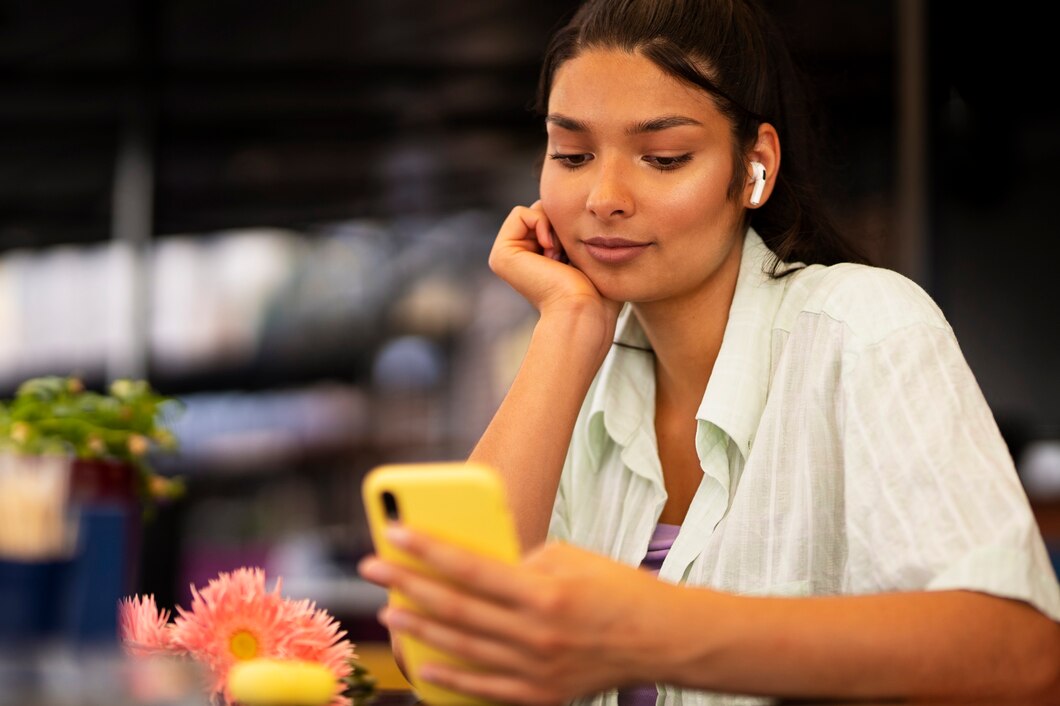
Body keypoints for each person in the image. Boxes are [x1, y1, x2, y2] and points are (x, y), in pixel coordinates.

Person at [358, 0, 1060, 703]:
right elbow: (447, 657)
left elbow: (1022, 657)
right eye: (571, 155)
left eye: (663, 158)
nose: (603, 197)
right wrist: (566, 325)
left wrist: (651, 628)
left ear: (754, 167)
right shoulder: (577, 375)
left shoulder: (864, 328)